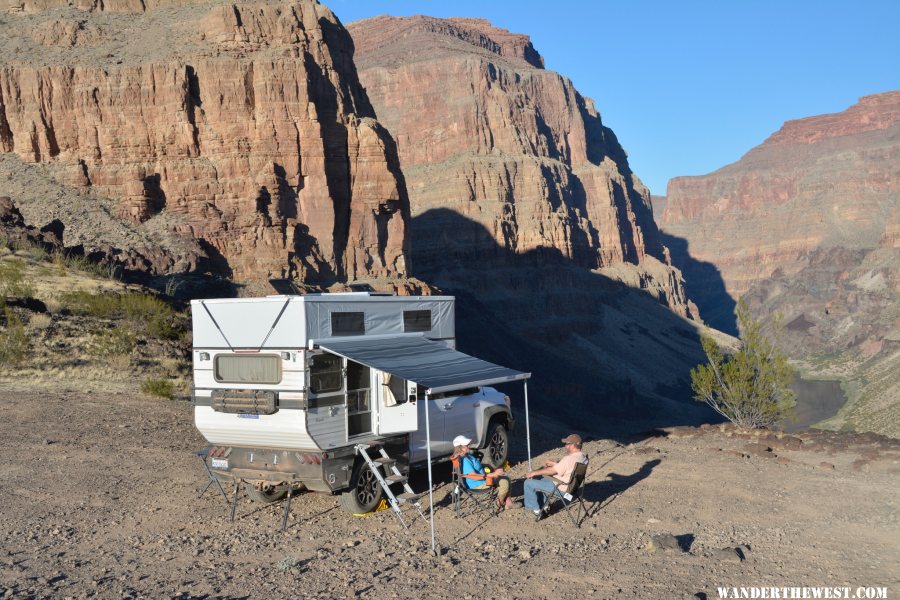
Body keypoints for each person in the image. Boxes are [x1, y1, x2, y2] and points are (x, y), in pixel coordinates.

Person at [523, 433, 587, 518]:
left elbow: (552, 471)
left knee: (528, 483)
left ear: (573, 445)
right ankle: (545, 507)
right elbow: (569, 468)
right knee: (542, 480)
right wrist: (554, 464)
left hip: (561, 489)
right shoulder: (583, 458)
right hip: (572, 489)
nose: (565, 446)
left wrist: (534, 472)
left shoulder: (568, 459)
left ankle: (536, 511)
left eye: (567, 444)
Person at [451, 435, 514, 511]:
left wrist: (491, 470)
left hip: (481, 479)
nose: (469, 446)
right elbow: (473, 476)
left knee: (506, 478)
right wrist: (493, 474)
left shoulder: (467, 455)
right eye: (466, 445)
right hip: (477, 484)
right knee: (504, 482)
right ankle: (499, 503)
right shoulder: (465, 460)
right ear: (460, 447)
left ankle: (509, 503)